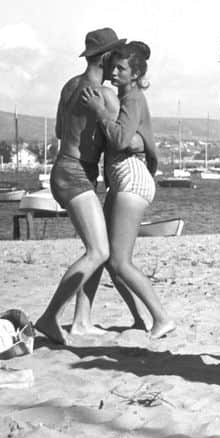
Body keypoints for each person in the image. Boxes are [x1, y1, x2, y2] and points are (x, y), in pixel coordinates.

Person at [79, 40, 176, 339]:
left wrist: (98, 111)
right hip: (123, 178)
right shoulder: (125, 97)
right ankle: (138, 319)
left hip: (131, 178)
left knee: (120, 260)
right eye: (115, 67)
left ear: (135, 74)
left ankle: (161, 318)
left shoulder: (133, 98)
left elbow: (121, 140)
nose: (115, 72)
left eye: (122, 69)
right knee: (107, 256)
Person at [34, 27, 124, 345]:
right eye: (118, 54)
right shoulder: (105, 96)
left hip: (63, 167)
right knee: (99, 250)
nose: (121, 60)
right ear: (107, 57)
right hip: (77, 173)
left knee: (96, 250)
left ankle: (82, 320)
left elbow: (61, 130)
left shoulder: (71, 86)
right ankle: (49, 317)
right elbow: (120, 141)